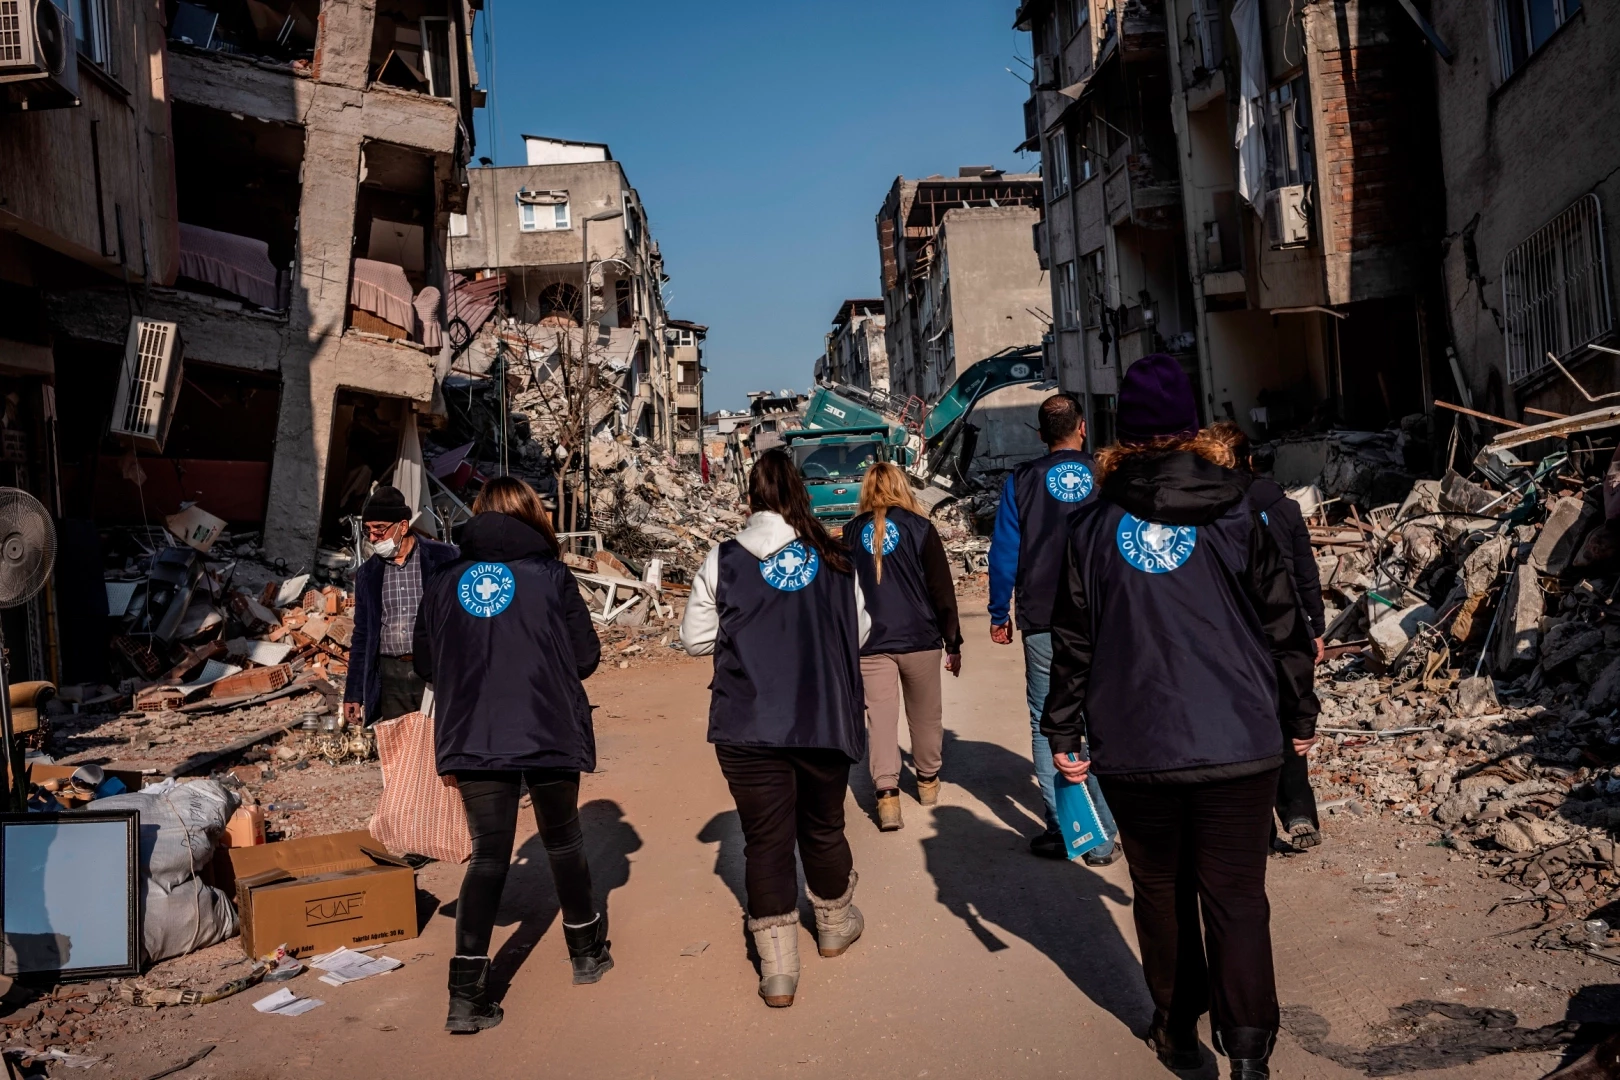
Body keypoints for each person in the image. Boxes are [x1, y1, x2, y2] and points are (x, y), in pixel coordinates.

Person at [1041, 354, 1319, 1079]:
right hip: (1240, 738)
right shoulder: (1240, 511)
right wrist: (1300, 713)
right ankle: (1249, 1052)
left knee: (1161, 892)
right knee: (1237, 897)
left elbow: (1074, 640)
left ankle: (1175, 1030)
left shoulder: (1092, 526)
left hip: (1137, 742)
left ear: (1122, 434)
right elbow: (1284, 623)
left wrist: (1063, 728)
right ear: (1193, 427)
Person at [412, 476, 607, 1034]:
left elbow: (425, 664)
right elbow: (585, 658)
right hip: (547, 725)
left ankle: (466, 995)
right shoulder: (551, 575)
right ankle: (586, 952)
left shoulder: (443, 580)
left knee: (489, 855)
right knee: (563, 840)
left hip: (474, 732)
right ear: (530, 516)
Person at [680, 449, 870, 1008]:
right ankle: (833, 926)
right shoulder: (834, 557)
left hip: (748, 723)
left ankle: (779, 969)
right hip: (821, 715)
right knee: (824, 826)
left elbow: (695, 639)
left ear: (751, 496)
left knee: (765, 840)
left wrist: (751, 636)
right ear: (801, 493)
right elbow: (858, 631)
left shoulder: (723, 559)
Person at [986, 393, 1119, 864]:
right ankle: (1106, 836)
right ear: (1082, 428)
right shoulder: (1108, 473)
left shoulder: (1021, 480)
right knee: (1100, 718)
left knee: (1048, 723)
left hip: (1043, 616)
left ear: (1041, 435)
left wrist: (999, 612)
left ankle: (1068, 829)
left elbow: (1005, 551)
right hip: (1103, 615)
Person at [1211, 422, 1328, 851]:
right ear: (1249, 460)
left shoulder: (1213, 513)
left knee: (1244, 728)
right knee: (1290, 720)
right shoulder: (1284, 507)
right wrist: (1315, 628)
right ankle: (1299, 811)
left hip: (1236, 632)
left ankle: (1258, 825)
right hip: (1287, 627)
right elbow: (1306, 574)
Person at [844, 462, 962, 832]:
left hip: (870, 642)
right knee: (926, 715)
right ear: (901, 486)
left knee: (879, 719)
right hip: (919, 638)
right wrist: (953, 641)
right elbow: (941, 589)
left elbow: (841, 593)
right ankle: (927, 782)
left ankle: (887, 797)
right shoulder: (920, 528)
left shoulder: (851, 532)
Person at [344, 485, 459, 727]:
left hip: (436, 670)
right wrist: (353, 693)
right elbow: (362, 634)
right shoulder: (368, 574)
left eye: (380, 529)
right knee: (398, 744)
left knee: (439, 738)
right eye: (368, 531)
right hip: (392, 676)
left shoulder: (445, 558)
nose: (373, 537)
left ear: (403, 526)